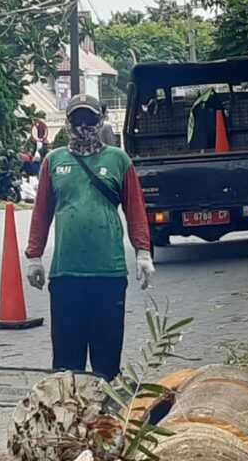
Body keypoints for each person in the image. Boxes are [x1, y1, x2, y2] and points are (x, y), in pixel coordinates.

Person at [26, 93, 153, 378]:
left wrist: (143, 253)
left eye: (90, 118)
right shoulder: (54, 161)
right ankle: (69, 420)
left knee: (106, 364)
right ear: (69, 122)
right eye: (77, 119)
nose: (84, 125)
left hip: (108, 274)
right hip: (66, 275)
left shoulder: (119, 160)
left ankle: (105, 420)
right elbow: (42, 211)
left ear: (101, 119)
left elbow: (135, 210)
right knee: (66, 368)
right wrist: (34, 256)